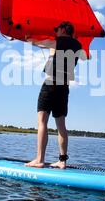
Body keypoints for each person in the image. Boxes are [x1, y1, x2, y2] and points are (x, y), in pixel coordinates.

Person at [25, 21, 84, 169]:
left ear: (64, 29)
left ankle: (39, 159)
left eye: (57, 29)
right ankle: (62, 161)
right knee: (61, 125)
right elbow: (84, 56)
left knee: (42, 121)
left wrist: (27, 37)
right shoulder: (77, 46)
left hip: (51, 84)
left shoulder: (57, 41)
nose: (55, 31)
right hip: (64, 87)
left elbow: (36, 43)